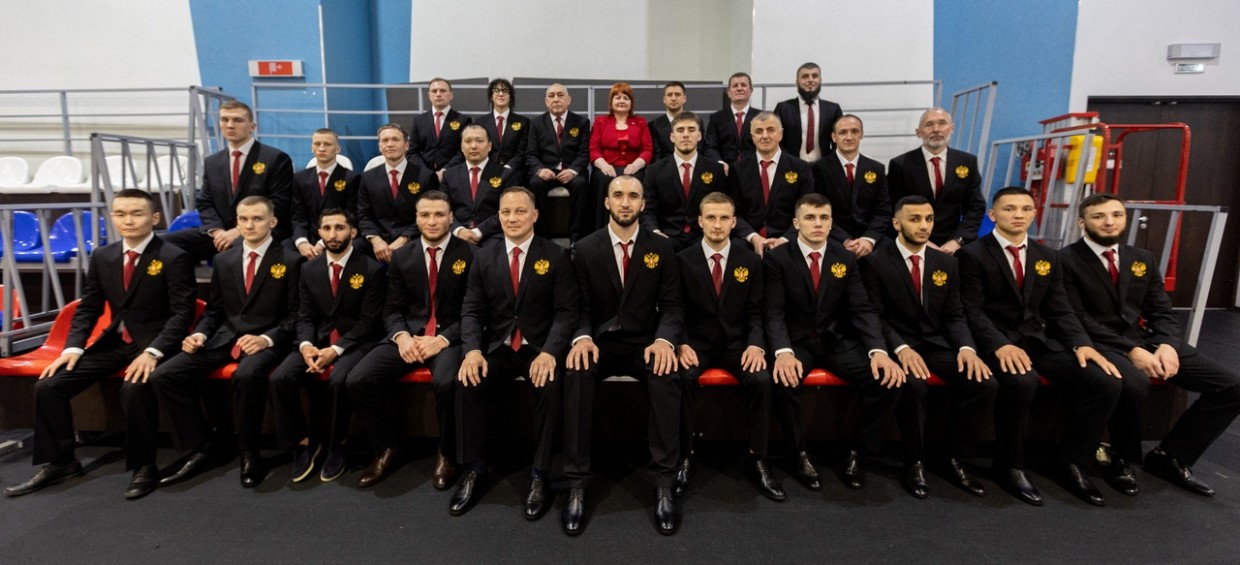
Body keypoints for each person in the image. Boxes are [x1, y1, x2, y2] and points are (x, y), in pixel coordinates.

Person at [4, 189, 196, 500]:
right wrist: (72, 348)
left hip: (156, 343)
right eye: (120, 214)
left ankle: (144, 466)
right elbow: (88, 308)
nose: (128, 220)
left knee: (134, 388)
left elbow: (182, 314)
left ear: (155, 218)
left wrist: (153, 352)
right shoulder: (104, 256)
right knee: (49, 385)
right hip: (115, 342)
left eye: (136, 213)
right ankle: (61, 462)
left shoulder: (174, 256)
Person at [1060, 193, 1240, 497]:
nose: (1109, 222)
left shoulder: (1141, 258)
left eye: (1116, 215)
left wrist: (1168, 344)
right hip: (1100, 342)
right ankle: (1123, 458)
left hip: (1145, 339)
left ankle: (1171, 456)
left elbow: (1162, 310)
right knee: (1134, 383)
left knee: (1232, 386)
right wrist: (1131, 350)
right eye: (1099, 216)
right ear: (1082, 222)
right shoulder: (1065, 260)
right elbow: (1076, 317)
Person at [957, 186, 1121, 507]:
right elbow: (970, 310)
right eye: (1009, 209)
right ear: (992, 215)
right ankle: (1010, 465)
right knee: (1023, 382)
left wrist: (1082, 344)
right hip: (993, 341)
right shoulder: (973, 255)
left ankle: (1073, 462)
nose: (1018, 215)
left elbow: (1060, 308)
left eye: (1025, 209)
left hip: (1037, 340)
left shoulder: (1047, 256)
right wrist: (1000, 345)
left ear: (1034, 214)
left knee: (1104, 381)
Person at [152, 196, 304, 489]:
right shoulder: (224, 259)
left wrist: (267, 338)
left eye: (257, 219)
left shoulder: (291, 260)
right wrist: (200, 334)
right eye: (243, 219)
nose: (250, 225)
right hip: (225, 336)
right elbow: (214, 310)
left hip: (267, 339)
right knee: (165, 375)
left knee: (247, 375)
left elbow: (297, 315)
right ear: (236, 222)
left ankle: (249, 451)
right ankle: (203, 446)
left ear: (272, 222)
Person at [564, 175, 683, 536]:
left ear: (643, 204)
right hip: (599, 342)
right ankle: (576, 483)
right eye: (618, 195)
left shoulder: (661, 248)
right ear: (607, 202)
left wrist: (663, 341)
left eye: (633, 196)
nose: (625, 202)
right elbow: (578, 308)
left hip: (642, 342)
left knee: (666, 373)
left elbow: (673, 307)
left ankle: (664, 483)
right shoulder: (584, 248)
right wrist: (582, 337)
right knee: (576, 373)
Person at [451, 187, 578, 520]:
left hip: (538, 349)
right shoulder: (483, 257)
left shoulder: (557, 255)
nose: (512, 218)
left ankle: (540, 473)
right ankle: (474, 467)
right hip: (499, 347)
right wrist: (472, 351)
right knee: (467, 381)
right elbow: (472, 310)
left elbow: (566, 313)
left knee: (551, 387)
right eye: (506, 212)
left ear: (534, 215)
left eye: (520, 211)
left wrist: (551, 352)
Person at [764, 193, 905, 492]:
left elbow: (861, 309)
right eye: (810, 217)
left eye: (823, 218)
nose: (817, 224)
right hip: (797, 341)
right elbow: (773, 311)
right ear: (796, 223)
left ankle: (856, 452)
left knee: (888, 379)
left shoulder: (845, 257)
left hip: (835, 339)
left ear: (831, 223)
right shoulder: (778, 258)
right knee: (783, 380)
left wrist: (879, 351)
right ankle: (798, 453)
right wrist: (783, 352)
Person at [858, 195, 996, 498]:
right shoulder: (874, 262)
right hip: (898, 344)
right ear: (896, 223)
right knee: (914, 385)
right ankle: (915, 462)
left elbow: (955, 314)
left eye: (929, 219)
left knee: (983, 383)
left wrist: (967, 349)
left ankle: (954, 457)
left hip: (936, 343)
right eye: (915, 219)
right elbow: (874, 316)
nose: (924, 226)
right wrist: (901, 349)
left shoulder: (946, 262)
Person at [346, 191, 472, 489]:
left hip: (448, 338)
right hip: (410, 335)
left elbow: (475, 311)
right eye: (425, 215)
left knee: (447, 383)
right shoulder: (402, 256)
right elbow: (392, 309)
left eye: (439, 214)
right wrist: (402, 337)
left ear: (451, 218)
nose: (432, 221)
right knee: (358, 379)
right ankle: (388, 448)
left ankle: (447, 453)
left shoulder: (472, 255)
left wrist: (442, 340)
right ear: (416, 218)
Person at [674, 191, 785, 501]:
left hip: (737, 344)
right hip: (697, 344)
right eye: (711, 217)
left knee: (761, 379)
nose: (717, 224)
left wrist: (756, 345)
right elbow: (675, 309)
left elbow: (757, 312)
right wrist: (680, 344)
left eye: (724, 218)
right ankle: (685, 455)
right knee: (681, 377)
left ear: (734, 222)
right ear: (700, 221)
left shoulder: (750, 260)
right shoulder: (682, 260)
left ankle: (757, 457)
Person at [267, 208, 386, 484]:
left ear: (353, 232)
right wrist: (306, 346)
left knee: (338, 379)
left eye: (339, 228)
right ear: (319, 233)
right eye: (327, 228)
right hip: (318, 340)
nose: (333, 234)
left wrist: (336, 350)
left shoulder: (371, 269)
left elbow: (369, 322)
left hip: (356, 341)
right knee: (281, 377)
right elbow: (305, 316)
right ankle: (303, 442)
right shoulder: (309, 268)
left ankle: (337, 444)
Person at [165, 100, 294, 262]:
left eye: (237, 120)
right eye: (224, 120)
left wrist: (239, 230)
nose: (230, 125)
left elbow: (279, 203)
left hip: (261, 231)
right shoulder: (213, 162)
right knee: (163, 245)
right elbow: (205, 202)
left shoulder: (275, 158)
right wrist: (216, 231)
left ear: (252, 127)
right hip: (221, 232)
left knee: (237, 249)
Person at [887, 108, 985, 254]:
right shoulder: (900, 164)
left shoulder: (967, 162)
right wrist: (922, 241)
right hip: (913, 241)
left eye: (942, 123)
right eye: (929, 125)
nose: (936, 129)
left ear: (951, 128)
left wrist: (957, 241)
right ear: (918, 132)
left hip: (956, 242)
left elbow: (975, 207)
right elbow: (894, 209)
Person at [728, 112, 816, 256]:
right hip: (748, 240)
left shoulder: (801, 168)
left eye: (770, 130)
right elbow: (733, 212)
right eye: (759, 131)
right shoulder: (737, 169)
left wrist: (785, 239)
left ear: (780, 134)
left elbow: (806, 210)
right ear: (752, 137)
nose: (765, 136)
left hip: (790, 239)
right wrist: (753, 237)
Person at [639, 111, 728, 251]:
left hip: (705, 239)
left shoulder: (716, 169)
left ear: (699, 136)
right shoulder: (654, 171)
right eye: (680, 130)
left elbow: (723, 208)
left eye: (691, 130)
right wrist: (655, 232)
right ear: (672, 137)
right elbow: (647, 211)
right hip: (666, 239)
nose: (686, 135)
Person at [357, 123, 440, 263]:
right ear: (380, 147)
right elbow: (363, 215)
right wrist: (376, 240)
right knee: (353, 248)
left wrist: (404, 239)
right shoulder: (367, 177)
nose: (390, 144)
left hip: (413, 238)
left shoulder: (425, 176)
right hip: (378, 240)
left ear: (406, 145)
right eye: (385, 140)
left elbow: (429, 215)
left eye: (395, 139)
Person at [814, 115, 890, 258]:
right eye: (843, 132)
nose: (849, 137)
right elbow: (818, 211)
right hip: (833, 237)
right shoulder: (818, 169)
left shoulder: (876, 169)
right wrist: (845, 240)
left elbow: (883, 211)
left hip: (869, 237)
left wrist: (868, 239)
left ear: (862, 134)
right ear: (834, 137)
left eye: (854, 131)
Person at [524, 83, 590, 238]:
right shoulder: (536, 123)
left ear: (569, 100)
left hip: (571, 171)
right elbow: (531, 154)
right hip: (547, 171)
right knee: (535, 184)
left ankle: (576, 238)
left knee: (580, 184)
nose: (556, 99)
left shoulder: (581, 122)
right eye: (551, 96)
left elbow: (584, 153)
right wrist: (540, 170)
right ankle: (543, 236)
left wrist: (573, 171)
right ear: (546, 101)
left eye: (560, 95)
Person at [587, 82, 653, 236]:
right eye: (617, 97)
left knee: (637, 181)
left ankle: (636, 231)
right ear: (611, 102)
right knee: (602, 179)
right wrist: (603, 165)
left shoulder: (641, 122)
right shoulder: (601, 122)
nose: (621, 101)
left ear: (631, 103)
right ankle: (601, 232)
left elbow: (647, 150)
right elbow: (594, 149)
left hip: (633, 168)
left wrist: (636, 165)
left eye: (626, 98)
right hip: (606, 168)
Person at [441, 124, 521, 246]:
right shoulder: (449, 175)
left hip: (493, 236)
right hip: (456, 235)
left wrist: (479, 231)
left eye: (479, 141)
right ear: (461, 146)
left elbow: (509, 210)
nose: (473, 146)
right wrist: (458, 230)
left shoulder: (506, 175)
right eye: (468, 141)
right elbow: (442, 209)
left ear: (489, 146)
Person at [291, 128, 359, 260]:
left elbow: (351, 216)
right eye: (317, 144)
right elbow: (298, 216)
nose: (321, 148)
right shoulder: (300, 179)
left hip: (337, 237)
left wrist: (323, 242)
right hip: (307, 237)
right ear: (312, 148)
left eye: (327, 144)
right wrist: (302, 242)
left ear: (337, 149)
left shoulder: (351, 178)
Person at [773, 62, 843, 163]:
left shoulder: (833, 109)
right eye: (805, 76)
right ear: (797, 82)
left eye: (814, 76)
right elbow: (775, 139)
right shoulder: (783, 109)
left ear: (820, 80)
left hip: (824, 166)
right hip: (791, 165)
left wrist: (828, 162)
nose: (810, 80)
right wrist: (788, 161)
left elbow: (839, 140)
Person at [407, 77, 470, 178]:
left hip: (453, 174)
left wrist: (445, 171)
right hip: (424, 176)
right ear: (429, 96)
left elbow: (464, 151)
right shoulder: (419, 121)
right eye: (434, 91)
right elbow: (412, 152)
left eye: (443, 91)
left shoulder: (463, 120)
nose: (438, 94)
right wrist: (426, 172)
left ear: (451, 95)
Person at [703, 72, 761, 171]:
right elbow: (710, 146)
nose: (739, 88)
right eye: (735, 86)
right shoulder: (716, 118)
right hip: (725, 171)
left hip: (754, 170)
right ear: (729, 92)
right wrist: (720, 164)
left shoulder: (761, 117)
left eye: (743, 85)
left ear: (751, 90)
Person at [476, 78, 529, 183]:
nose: (501, 94)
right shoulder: (480, 122)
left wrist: (509, 167)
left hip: (514, 171)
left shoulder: (523, 122)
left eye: (505, 91)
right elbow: (479, 149)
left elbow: (522, 151)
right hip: (487, 170)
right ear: (491, 96)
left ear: (510, 97)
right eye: (496, 90)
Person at [647, 81, 690, 164]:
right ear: (664, 99)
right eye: (669, 95)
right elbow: (656, 156)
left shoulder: (696, 123)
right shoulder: (654, 126)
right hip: (664, 168)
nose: (673, 98)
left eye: (677, 94)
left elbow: (699, 151)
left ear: (684, 98)